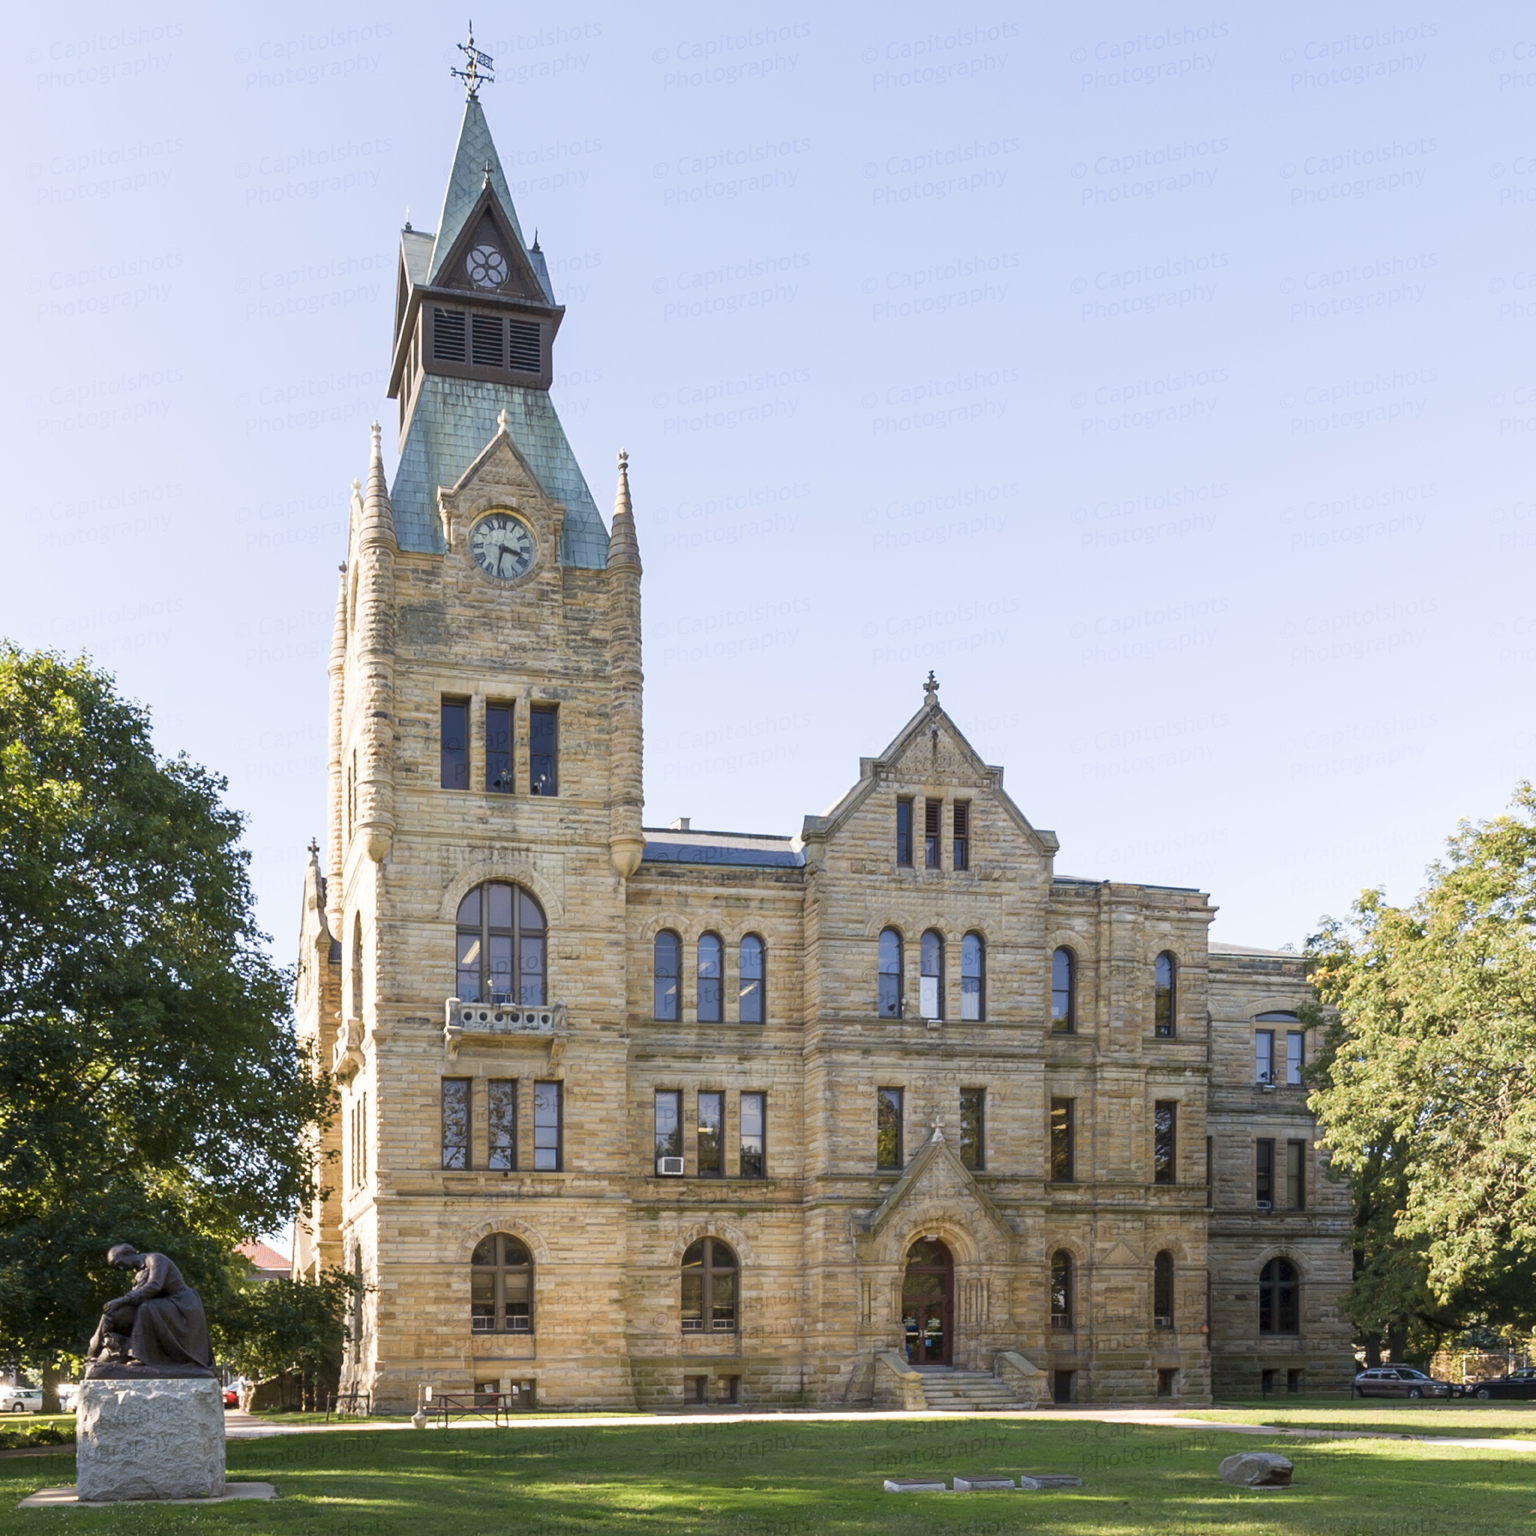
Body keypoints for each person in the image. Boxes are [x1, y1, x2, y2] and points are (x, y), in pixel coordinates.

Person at [84, 1246, 215, 1379]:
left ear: (128, 1254)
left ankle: (141, 1356)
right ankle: (92, 1354)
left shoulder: (156, 1259)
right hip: (162, 1306)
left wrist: (121, 1301)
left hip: (181, 1305)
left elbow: (154, 1286)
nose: (121, 1269)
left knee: (146, 1308)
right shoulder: (140, 1271)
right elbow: (137, 1295)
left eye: (119, 1263)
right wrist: (117, 1308)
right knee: (111, 1314)